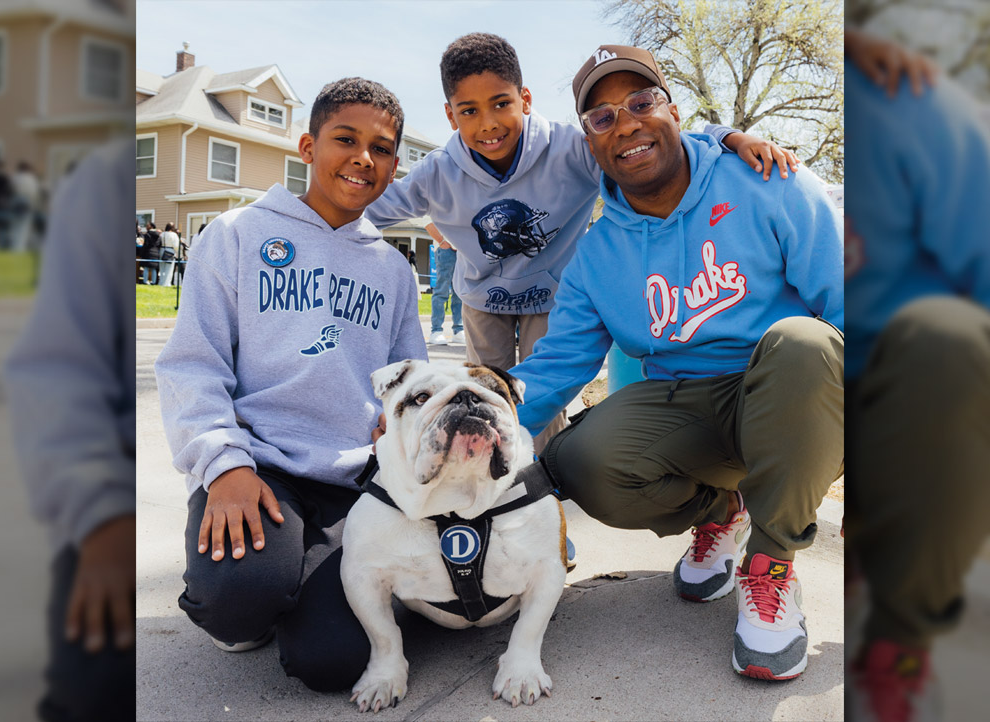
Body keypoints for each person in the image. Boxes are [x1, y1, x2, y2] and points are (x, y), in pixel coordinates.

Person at [508, 45, 843, 682]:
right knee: (580, 459)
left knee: (802, 341)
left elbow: (851, 300)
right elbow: (553, 368)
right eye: (602, 117)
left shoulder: (767, 180)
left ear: (673, 109)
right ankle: (724, 514)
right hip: (690, 406)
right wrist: (468, 416)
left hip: (793, 395)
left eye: (641, 102)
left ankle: (771, 567)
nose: (627, 124)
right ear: (591, 143)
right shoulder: (596, 253)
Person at [365, 32, 800, 455]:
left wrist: (730, 137)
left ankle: (540, 480)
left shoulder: (572, 148)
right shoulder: (437, 173)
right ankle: (481, 468)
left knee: (541, 387)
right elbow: (371, 208)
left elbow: (650, 142)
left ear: (526, 100)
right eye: (469, 111)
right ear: (450, 115)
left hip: (553, 293)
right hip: (484, 297)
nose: (489, 124)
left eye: (501, 104)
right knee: (491, 387)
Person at [154, 77, 426, 693]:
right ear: (308, 145)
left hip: (356, 482)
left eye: (381, 149)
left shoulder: (392, 271)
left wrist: (399, 422)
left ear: (393, 167)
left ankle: (314, 565)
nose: (363, 158)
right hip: (261, 467)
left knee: (332, 662)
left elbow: (408, 382)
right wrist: (222, 466)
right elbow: (191, 365)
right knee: (237, 602)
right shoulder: (236, 235)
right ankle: (267, 576)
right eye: (345, 140)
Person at [843, 33, 990, 722]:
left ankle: (898, 642)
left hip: (901, 383)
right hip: (803, 385)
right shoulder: (736, 164)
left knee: (948, 342)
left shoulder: (913, 105)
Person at [5, 140, 136, 721]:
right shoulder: (106, 182)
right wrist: (100, 515)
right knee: (93, 685)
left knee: (329, 653)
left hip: (335, 489)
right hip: (111, 497)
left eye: (383, 149)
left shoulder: (382, 264)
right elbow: (58, 369)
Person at [427, 225, 464, 345]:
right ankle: (436, 331)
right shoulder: (438, 205)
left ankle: (458, 330)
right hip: (445, 249)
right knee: (441, 291)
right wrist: (442, 241)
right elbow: (427, 222)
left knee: (459, 292)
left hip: (461, 250)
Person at [157, 222, 180, 287]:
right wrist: (176, 252)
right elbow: (176, 245)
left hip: (162, 250)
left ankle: (161, 282)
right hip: (170, 251)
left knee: (162, 268)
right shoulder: (174, 235)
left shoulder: (162, 234)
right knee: (169, 269)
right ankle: (167, 283)